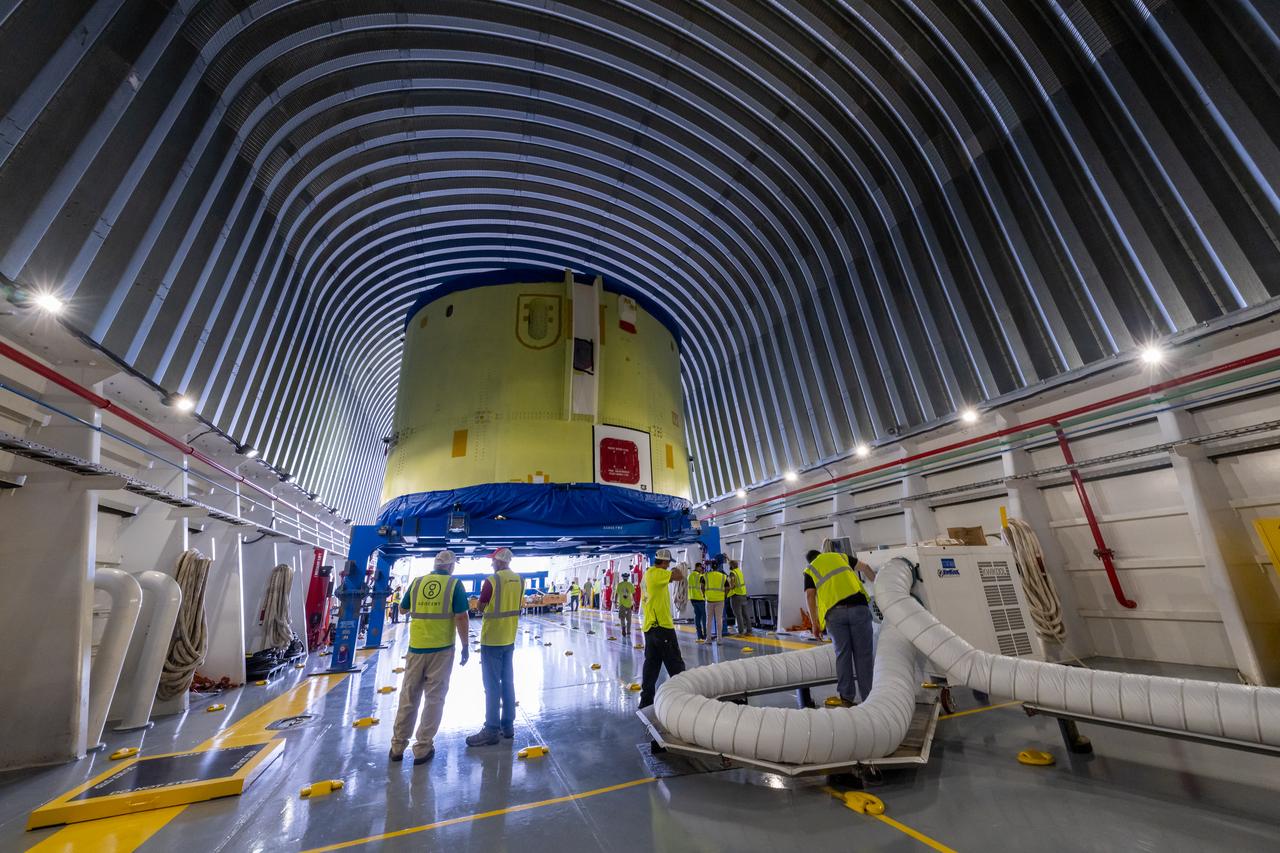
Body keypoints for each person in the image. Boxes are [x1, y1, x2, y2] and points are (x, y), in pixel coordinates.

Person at [391, 551, 469, 764]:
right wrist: (465, 646)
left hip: (416, 648)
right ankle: (422, 747)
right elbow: (461, 616)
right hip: (442, 649)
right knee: (434, 698)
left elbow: (403, 609)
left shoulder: (417, 583)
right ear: (451, 567)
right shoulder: (454, 585)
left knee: (408, 696)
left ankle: (397, 745)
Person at [805, 541, 877, 706]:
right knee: (863, 656)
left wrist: (815, 623)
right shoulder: (840, 557)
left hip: (835, 614)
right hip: (859, 608)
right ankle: (869, 698)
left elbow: (810, 596)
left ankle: (847, 698)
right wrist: (880, 585)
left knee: (842, 655)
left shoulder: (810, 569)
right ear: (821, 554)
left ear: (810, 561)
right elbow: (865, 568)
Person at [466, 548, 524, 746]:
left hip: (492, 639)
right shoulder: (519, 580)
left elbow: (481, 606)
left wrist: (482, 607)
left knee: (491, 685)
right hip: (509, 637)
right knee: (508, 682)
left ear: (499, 562)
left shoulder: (492, 581)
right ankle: (508, 726)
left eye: (493, 561)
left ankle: (491, 728)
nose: (491, 564)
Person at [638, 550, 686, 709]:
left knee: (651, 666)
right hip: (662, 628)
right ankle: (685, 701)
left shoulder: (648, 575)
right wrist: (678, 567)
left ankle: (646, 702)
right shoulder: (658, 574)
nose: (669, 566)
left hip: (650, 628)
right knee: (676, 666)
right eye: (669, 563)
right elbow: (679, 576)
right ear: (664, 563)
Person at [703, 559, 727, 644]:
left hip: (709, 600)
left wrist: (704, 594)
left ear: (710, 566)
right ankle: (719, 639)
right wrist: (724, 595)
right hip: (720, 600)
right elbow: (727, 587)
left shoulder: (705, 575)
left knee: (708, 620)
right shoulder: (723, 576)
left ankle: (708, 639)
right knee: (719, 620)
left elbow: (702, 586)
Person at [728, 560, 752, 636]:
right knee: (745, 614)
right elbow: (733, 563)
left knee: (738, 615)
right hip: (743, 594)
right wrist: (728, 558)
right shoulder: (739, 571)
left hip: (736, 596)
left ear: (731, 566)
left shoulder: (732, 573)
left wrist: (726, 589)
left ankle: (741, 632)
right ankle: (749, 631)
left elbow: (733, 584)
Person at [688, 562, 707, 642]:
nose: (702, 569)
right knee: (704, 617)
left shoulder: (689, 576)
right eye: (701, 568)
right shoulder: (700, 576)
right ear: (698, 567)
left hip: (692, 598)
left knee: (697, 617)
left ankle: (699, 635)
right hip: (700, 598)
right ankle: (706, 635)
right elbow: (703, 587)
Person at [615, 572, 636, 638]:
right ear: (628, 578)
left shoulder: (619, 585)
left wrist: (615, 602)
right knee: (629, 619)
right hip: (629, 604)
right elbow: (634, 594)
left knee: (622, 618)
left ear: (623, 577)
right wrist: (634, 601)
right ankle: (628, 631)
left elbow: (616, 594)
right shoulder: (630, 585)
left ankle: (623, 628)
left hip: (621, 604)